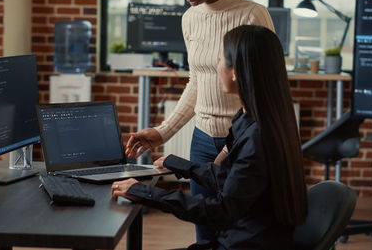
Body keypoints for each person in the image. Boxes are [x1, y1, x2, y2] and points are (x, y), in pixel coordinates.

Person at [113, 25, 308, 250]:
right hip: (249, 238)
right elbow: (227, 177)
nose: (217, 68)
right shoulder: (256, 118)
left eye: (219, 61)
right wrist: (177, 164)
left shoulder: (257, 139)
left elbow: (221, 210)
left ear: (236, 71)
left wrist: (143, 191)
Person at [125, 0, 274, 242]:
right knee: (204, 231)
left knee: (240, 230)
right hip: (202, 140)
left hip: (243, 140)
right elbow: (196, 82)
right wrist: (163, 132)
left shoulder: (252, 14)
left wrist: (232, 146)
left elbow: (266, 85)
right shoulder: (190, 19)